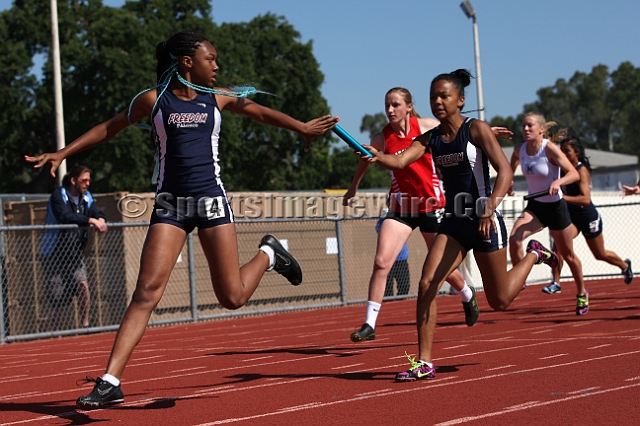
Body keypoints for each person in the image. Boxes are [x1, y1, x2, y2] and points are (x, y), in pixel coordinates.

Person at [25, 30, 339, 409]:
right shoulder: (153, 100)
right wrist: (63, 152)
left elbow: (260, 112)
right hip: (170, 205)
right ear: (188, 62)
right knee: (146, 292)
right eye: (211, 59)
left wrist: (302, 127)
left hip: (210, 202)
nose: (217, 65)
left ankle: (269, 255)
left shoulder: (218, 98)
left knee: (232, 297)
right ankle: (110, 381)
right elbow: (107, 129)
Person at [361, 69, 557, 382]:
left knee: (500, 300)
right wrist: (377, 156)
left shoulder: (476, 129)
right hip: (453, 222)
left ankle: (534, 252)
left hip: (483, 220)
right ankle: (424, 362)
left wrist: (487, 210)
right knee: (426, 285)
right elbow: (399, 162)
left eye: (444, 96)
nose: (437, 102)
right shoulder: (431, 138)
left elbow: (504, 172)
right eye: (433, 97)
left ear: (460, 100)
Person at [344, 87, 479, 343]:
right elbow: (365, 159)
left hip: (432, 206)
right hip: (401, 208)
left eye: (395, 105)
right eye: (387, 106)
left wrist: (486, 133)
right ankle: (369, 324)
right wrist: (353, 188)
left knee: (444, 268)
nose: (390, 110)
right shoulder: (381, 137)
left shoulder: (426, 126)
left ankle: (467, 294)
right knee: (382, 262)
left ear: (408, 106)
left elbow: (459, 130)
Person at [508, 114, 588, 315]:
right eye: (523, 125)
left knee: (568, 256)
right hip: (536, 205)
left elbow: (574, 174)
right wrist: (509, 179)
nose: (526, 129)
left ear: (541, 129)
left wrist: (558, 182)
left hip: (555, 207)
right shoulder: (521, 149)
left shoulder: (549, 149)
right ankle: (521, 280)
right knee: (514, 239)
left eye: (530, 125)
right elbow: (514, 160)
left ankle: (582, 293)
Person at [542, 135, 633, 293]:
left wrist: (563, 197)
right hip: (572, 217)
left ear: (576, 152)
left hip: (587, 217)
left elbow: (585, 199)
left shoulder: (581, 170)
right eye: (561, 151)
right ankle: (556, 282)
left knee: (600, 254)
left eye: (567, 151)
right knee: (558, 244)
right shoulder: (560, 168)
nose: (563, 155)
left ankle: (624, 265)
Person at [41, 165, 108, 330]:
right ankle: (56, 333)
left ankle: (85, 324)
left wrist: (100, 219)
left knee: (83, 285)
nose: (87, 184)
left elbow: (96, 211)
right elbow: (64, 216)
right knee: (57, 299)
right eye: (83, 180)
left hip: (74, 253)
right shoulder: (59, 195)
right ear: (73, 180)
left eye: (89, 180)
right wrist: (90, 221)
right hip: (53, 254)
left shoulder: (87, 197)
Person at [376, 208, 411, 297]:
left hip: (401, 258)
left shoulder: (402, 216)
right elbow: (379, 230)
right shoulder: (384, 219)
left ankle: (400, 304)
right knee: (387, 289)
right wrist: (385, 219)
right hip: (388, 259)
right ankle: (388, 305)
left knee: (404, 285)